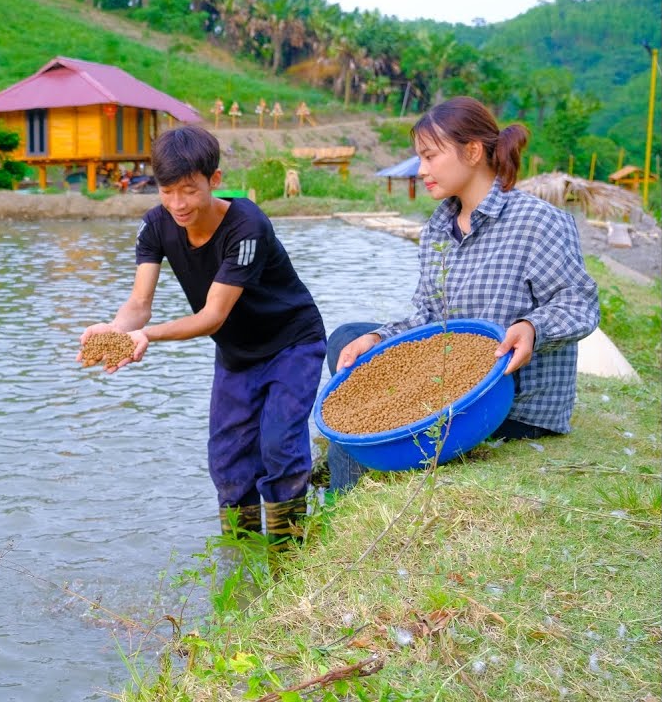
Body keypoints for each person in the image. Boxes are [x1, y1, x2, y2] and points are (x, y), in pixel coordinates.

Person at [324, 96, 599, 492]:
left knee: (354, 421)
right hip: (448, 383)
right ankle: (351, 484)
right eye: (419, 158)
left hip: (508, 403)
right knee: (349, 339)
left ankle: (344, 498)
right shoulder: (438, 228)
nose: (421, 170)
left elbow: (579, 303)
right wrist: (378, 338)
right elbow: (427, 316)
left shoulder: (537, 220)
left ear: (472, 152)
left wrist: (531, 328)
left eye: (430, 156)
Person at [77, 126, 327, 548]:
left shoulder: (246, 226)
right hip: (237, 353)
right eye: (167, 191)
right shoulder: (155, 225)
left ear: (214, 180)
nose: (178, 204)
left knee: (279, 446)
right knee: (227, 459)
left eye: (189, 191)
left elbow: (212, 316)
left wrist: (147, 336)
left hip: (291, 344)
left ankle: (289, 558)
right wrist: (118, 330)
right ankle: (242, 561)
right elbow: (139, 303)